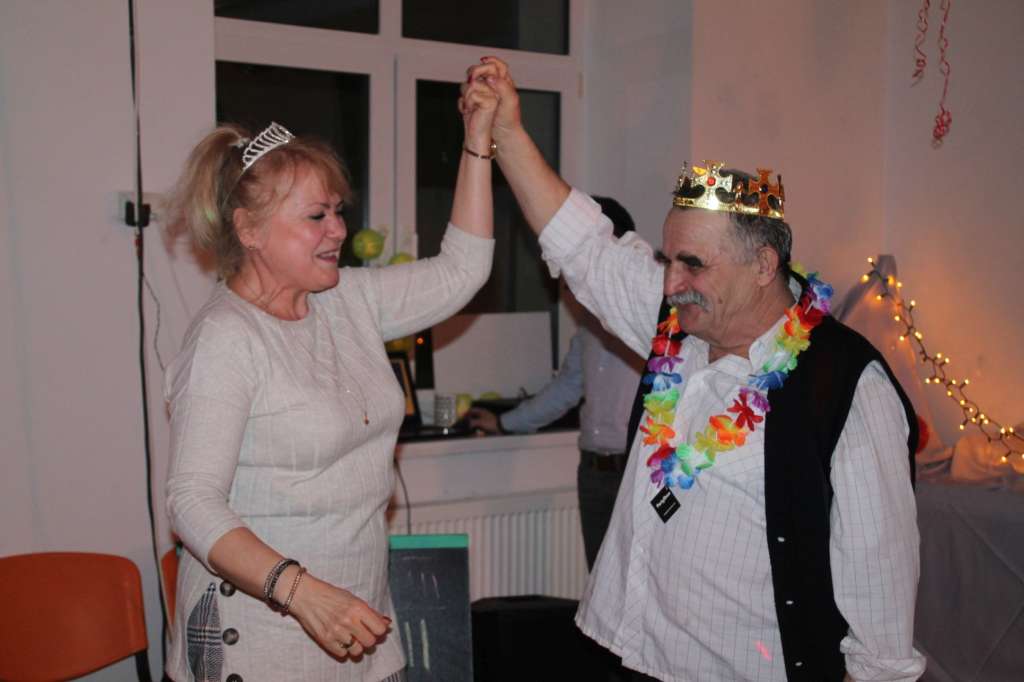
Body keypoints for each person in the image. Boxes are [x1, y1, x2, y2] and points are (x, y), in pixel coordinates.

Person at [462, 57, 925, 682]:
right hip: (627, 656)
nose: (671, 282)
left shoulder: (846, 387)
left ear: (763, 265)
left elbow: (879, 584)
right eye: (668, 259)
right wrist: (509, 133)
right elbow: (582, 245)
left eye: (693, 264)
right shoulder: (676, 322)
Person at [163, 74, 498, 682]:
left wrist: (478, 141)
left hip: (360, 623)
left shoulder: (348, 299)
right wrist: (299, 591)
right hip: (261, 637)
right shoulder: (225, 338)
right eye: (316, 216)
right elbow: (191, 501)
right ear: (249, 230)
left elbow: (462, 271)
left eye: (338, 211)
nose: (338, 229)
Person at [466, 196, 643, 570]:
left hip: (639, 474)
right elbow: (566, 388)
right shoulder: (589, 327)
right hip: (592, 473)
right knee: (599, 585)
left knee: (639, 585)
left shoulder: (652, 311)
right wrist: (505, 423)